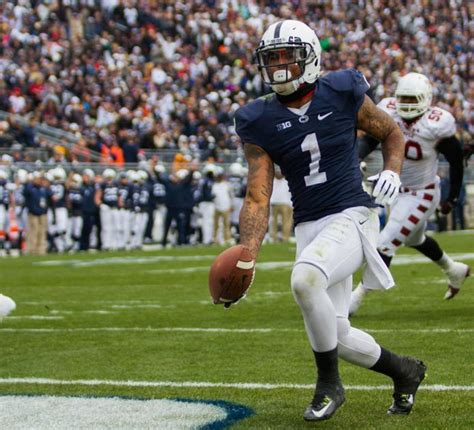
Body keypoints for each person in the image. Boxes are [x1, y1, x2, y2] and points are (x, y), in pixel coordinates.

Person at [231, 20, 426, 422]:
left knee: (304, 279)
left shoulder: (341, 89)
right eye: (272, 59)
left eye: (287, 57)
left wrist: (392, 169)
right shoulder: (258, 118)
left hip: (353, 213)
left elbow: (391, 132)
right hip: (310, 226)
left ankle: (329, 385)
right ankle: (405, 371)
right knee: (335, 334)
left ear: (311, 57)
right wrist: (246, 255)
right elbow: (258, 194)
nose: (279, 68)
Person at [350, 73, 470, 315]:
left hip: (422, 193)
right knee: (415, 239)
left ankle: (352, 302)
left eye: (412, 99)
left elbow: (456, 160)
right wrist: (357, 158)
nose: (406, 104)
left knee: (385, 243)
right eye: (402, 98)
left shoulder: (437, 123)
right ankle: (454, 269)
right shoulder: (389, 111)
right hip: (396, 190)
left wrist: (452, 197)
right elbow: (372, 140)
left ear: (425, 99)